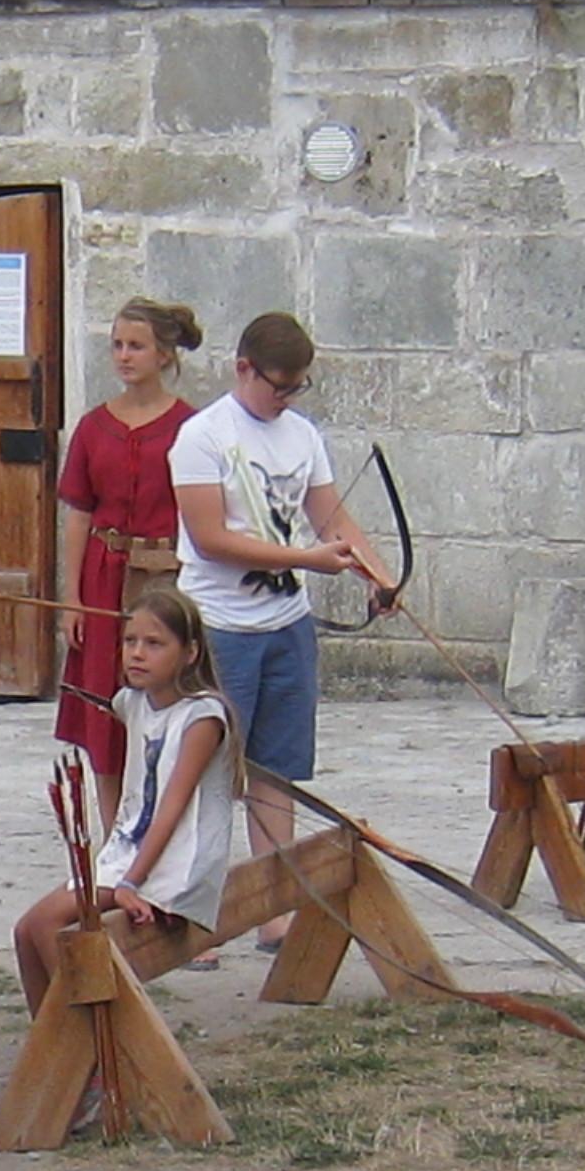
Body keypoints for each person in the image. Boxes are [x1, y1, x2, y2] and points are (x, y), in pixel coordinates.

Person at [170, 312, 393, 948]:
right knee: (208, 772)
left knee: (277, 772)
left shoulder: (302, 435)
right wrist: (309, 561)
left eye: (298, 388)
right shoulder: (201, 436)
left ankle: (275, 912)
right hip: (219, 626)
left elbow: (331, 516)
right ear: (243, 368)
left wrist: (377, 575)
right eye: (278, 386)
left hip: (285, 624)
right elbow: (211, 540)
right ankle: (191, 913)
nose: (287, 399)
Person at [14, 589, 240, 1128]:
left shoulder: (204, 716)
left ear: (189, 653)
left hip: (174, 868)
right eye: (130, 641)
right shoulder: (130, 702)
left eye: (155, 644)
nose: (137, 653)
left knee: (51, 926)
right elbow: (94, 689)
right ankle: (62, 1052)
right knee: (28, 932)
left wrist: (131, 883)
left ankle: (91, 1065)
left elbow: (172, 807)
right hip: (130, 857)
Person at [54, 298, 203, 831]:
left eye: (135, 346)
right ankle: (116, 830)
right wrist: (71, 597)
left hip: (165, 578)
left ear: (164, 353)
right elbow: (78, 512)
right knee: (104, 706)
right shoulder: (94, 427)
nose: (123, 355)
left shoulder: (191, 427)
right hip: (104, 576)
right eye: (117, 344)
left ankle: (164, 826)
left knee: (166, 698)